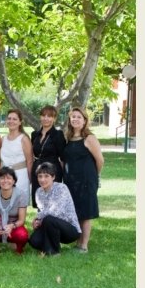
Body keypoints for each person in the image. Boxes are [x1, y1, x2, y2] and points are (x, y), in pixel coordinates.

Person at [63, 106, 104, 253]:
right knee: (76, 211)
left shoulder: (89, 138)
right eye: (73, 116)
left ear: (85, 120)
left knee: (86, 213)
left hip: (86, 180)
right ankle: (77, 242)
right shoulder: (68, 138)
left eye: (79, 117)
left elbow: (100, 160)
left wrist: (94, 176)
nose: (75, 119)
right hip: (70, 181)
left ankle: (84, 245)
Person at [29, 162, 81, 256]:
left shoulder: (61, 188)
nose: (42, 179)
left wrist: (39, 218)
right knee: (34, 241)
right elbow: (41, 211)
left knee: (49, 219)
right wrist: (37, 220)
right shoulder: (38, 192)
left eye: (46, 176)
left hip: (69, 229)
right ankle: (49, 247)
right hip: (49, 225)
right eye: (40, 176)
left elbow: (55, 212)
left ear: (53, 177)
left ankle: (54, 252)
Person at [30, 104, 66, 207]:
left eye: (49, 116)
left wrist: (63, 174)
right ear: (40, 117)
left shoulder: (58, 134)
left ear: (54, 118)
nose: (46, 118)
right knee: (39, 202)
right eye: (43, 115)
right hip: (38, 171)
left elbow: (63, 157)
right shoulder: (34, 134)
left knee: (52, 203)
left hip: (52, 171)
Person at [0, 109, 33, 197]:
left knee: (19, 204)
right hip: (5, 177)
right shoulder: (3, 139)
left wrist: (30, 179)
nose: (11, 121)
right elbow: (1, 160)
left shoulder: (24, 139)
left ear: (20, 122)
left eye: (14, 119)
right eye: (9, 118)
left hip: (20, 176)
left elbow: (29, 161)